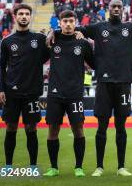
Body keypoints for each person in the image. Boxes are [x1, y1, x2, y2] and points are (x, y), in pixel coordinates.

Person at [47, 0, 132, 177]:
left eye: (119, 7)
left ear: (123, 9)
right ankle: (99, 166)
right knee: (102, 126)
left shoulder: (131, 28)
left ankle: (121, 166)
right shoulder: (98, 28)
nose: (116, 9)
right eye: (113, 6)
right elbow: (73, 28)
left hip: (123, 84)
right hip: (104, 84)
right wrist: (54, 31)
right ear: (108, 8)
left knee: (121, 127)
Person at [42, 10, 94, 178]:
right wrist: (51, 32)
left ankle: (78, 167)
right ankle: (53, 167)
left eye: (71, 21)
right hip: (55, 94)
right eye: (65, 21)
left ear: (75, 22)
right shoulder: (52, 41)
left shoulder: (83, 43)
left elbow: (95, 64)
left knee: (78, 129)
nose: (69, 24)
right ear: (60, 23)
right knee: (53, 130)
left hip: (75, 94)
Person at [0, 4, 48, 172]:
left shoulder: (39, 39)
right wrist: (0, 89)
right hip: (11, 93)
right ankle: (8, 165)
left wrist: (51, 34)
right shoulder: (7, 41)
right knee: (11, 127)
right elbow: (1, 66)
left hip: (32, 92)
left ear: (30, 17)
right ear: (15, 17)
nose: (24, 16)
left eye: (27, 14)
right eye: (21, 14)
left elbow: (50, 51)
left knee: (31, 128)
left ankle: (33, 166)